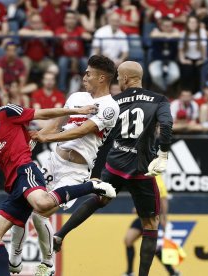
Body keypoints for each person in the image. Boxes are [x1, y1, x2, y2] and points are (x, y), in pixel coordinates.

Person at [0, 77, 116, 276]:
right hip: (12, 186)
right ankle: (14, 264)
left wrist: (75, 111)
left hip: (25, 171)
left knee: (42, 206)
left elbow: (42, 113)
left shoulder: (6, 112)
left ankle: (91, 186)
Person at [0, 55, 120, 276]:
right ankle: (14, 262)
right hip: (53, 159)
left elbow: (82, 130)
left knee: (41, 212)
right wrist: (36, 136)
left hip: (75, 170)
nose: (84, 76)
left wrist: (45, 139)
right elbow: (58, 125)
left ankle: (48, 264)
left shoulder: (109, 107)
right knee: (24, 199)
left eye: (89, 73)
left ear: (102, 77)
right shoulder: (76, 96)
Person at [51, 61, 173, 276]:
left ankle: (60, 234)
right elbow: (167, 125)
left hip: (116, 165)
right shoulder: (159, 100)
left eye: (118, 78)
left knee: (99, 199)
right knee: (151, 224)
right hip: (141, 168)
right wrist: (163, 154)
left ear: (125, 79)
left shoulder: (114, 101)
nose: (118, 81)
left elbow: (93, 128)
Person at [123, 175, 181, 276]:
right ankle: (129, 272)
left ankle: (173, 272)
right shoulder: (141, 173)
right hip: (142, 216)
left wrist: (163, 217)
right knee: (128, 240)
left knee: (154, 248)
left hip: (153, 218)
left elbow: (163, 199)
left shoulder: (156, 177)